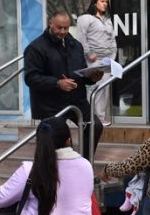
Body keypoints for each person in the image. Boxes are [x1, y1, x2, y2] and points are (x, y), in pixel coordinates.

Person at [24, 10, 104, 160]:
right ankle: (58, 173)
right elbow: (31, 78)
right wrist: (57, 83)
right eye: (59, 27)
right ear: (50, 24)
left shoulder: (76, 45)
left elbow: (80, 74)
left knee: (95, 126)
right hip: (50, 104)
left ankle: (83, 165)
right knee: (60, 138)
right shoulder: (36, 48)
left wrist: (92, 77)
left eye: (66, 28)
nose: (63, 31)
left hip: (76, 100)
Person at [76, 0, 117, 126]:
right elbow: (81, 37)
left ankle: (100, 117)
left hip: (107, 59)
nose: (105, 4)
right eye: (102, 1)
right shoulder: (85, 18)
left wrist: (113, 56)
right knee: (95, 87)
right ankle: (90, 117)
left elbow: (112, 39)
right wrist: (88, 52)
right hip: (93, 59)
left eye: (106, 2)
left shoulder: (108, 20)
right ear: (95, 2)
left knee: (105, 88)